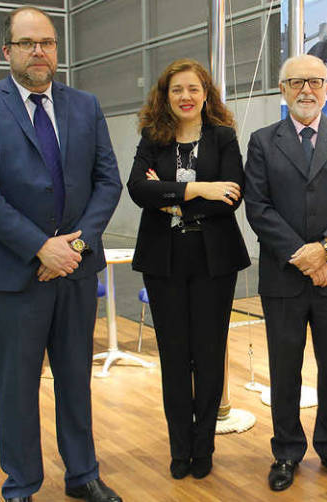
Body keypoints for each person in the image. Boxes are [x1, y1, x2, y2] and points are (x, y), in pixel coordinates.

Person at [0, 7, 122, 502]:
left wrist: (75, 246)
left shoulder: (85, 105)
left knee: (75, 380)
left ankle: (83, 475)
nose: (39, 52)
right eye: (28, 43)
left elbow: (107, 181)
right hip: (12, 277)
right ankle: (22, 484)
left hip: (73, 272)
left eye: (47, 42)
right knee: (17, 388)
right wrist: (40, 248)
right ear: (7, 51)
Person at [244, 54, 327, 491]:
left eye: (315, 81)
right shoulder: (263, 142)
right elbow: (258, 207)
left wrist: (325, 251)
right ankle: (285, 452)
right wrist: (302, 255)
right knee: (284, 370)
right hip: (283, 279)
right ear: (283, 89)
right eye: (296, 81)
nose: (306, 90)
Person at [126, 59, 250, 481]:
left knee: (209, 355)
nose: (185, 97)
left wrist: (169, 196)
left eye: (193, 89)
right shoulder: (152, 137)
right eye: (177, 89)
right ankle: (180, 448)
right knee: (175, 356)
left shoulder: (223, 137)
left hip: (214, 259)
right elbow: (138, 190)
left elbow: (232, 194)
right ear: (166, 95)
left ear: (206, 94)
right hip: (164, 260)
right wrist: (199, 188)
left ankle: (204, 448)